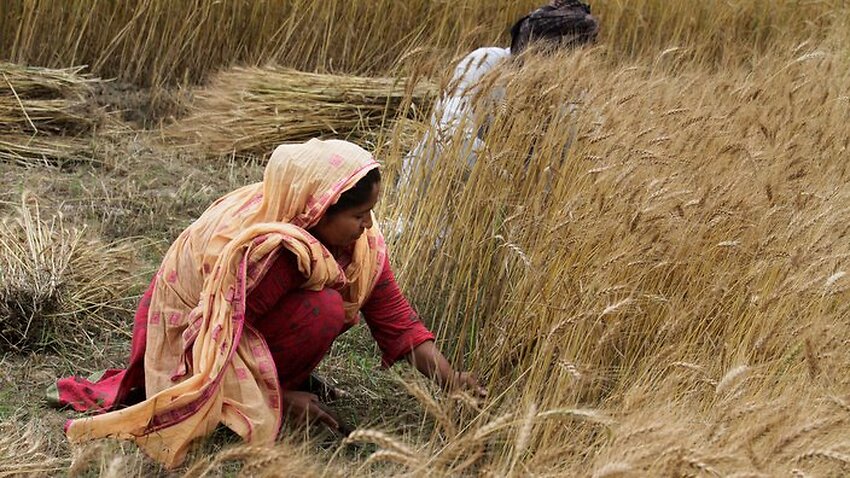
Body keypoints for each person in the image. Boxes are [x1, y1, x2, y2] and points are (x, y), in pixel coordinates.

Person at [50, 138, 486, 468]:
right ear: (318, 212)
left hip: (238, 327)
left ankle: (276, 382)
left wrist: (452, 380)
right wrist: (283, 400)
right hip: (192, 336)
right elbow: (213, 337)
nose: (368, 225)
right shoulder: (271, 254)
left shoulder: (358, 246)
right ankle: (256, 398)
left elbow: (396, 320)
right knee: (324, 311)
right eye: (358, 216)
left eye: (371, 211)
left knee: (323, 304)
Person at [399, 0, 599, 187]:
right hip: (429, 195)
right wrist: (503, 181)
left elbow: (580, 164)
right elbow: (449, 133)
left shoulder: (569, 102)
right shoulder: (484, 64)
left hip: (498, 214)